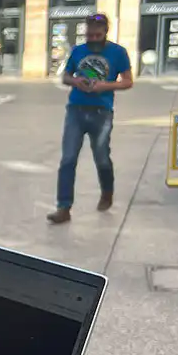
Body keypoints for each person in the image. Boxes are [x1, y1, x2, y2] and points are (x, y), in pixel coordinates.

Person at [48, 12, 134, 225]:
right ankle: (63, 207)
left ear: (105, 32)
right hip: (75, 110)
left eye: (97, 35)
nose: (93, 39)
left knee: (101, 156)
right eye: (89, 35)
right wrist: (75, 81)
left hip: (101, 112)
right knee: (68, 159)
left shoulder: (118, 53)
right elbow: (65, 76)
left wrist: (105, 85)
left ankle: (107, 192)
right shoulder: (78, 51)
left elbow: (128, 81)